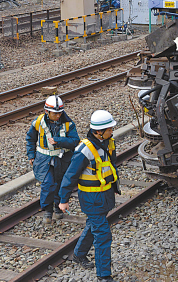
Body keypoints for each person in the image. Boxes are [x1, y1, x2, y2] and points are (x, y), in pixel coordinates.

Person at [59, 110, 120, 282]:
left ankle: (79, 254)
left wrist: (114, 186)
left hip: (105, 195)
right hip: (91, 199)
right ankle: (104, 275)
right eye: (109, 129)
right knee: (103, 234)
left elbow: (110, 165)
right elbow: (70, 176)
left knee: (93, 225)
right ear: (98, 131)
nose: (112, 131)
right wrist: (64, 199)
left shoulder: (109, 142)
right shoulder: (84, 150)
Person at [26, 96, 79, 224]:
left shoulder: (68, 124)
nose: (58, 115)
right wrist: (31, 155)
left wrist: (59, 141)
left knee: (61, 184)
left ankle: (58, 207)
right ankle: (48, 210)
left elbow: (75, 141)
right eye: (55, 113)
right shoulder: (38, 123)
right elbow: (30, 139)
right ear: (47, 112)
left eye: (59, 113)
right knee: (47, 185)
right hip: (44, 159)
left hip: (63, 159)